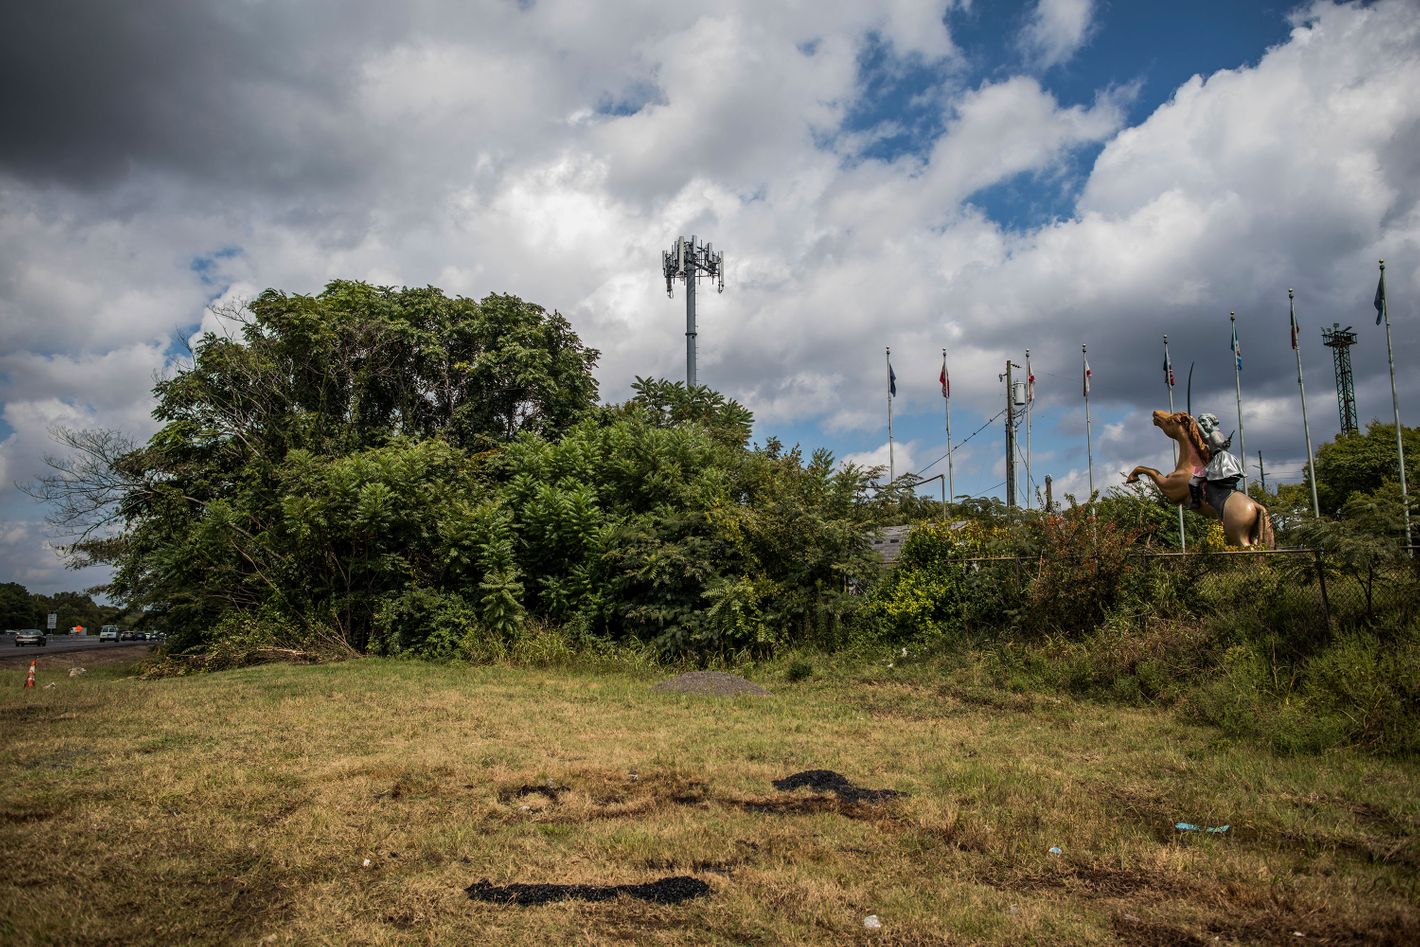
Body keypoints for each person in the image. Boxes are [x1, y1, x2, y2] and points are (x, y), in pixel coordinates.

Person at [1189, 413, 1243, 509]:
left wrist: (1223, 444)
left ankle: (1196, 502)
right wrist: (1195, 422)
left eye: (1204, 421)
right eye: (1201, 422)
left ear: (1211, 421)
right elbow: (1205, 436)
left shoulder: (1213, 434)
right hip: (1226, 459)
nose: (1202, 424)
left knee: (1194, 481)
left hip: (1220, 460)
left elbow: (1218, 443)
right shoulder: (1214, 434)